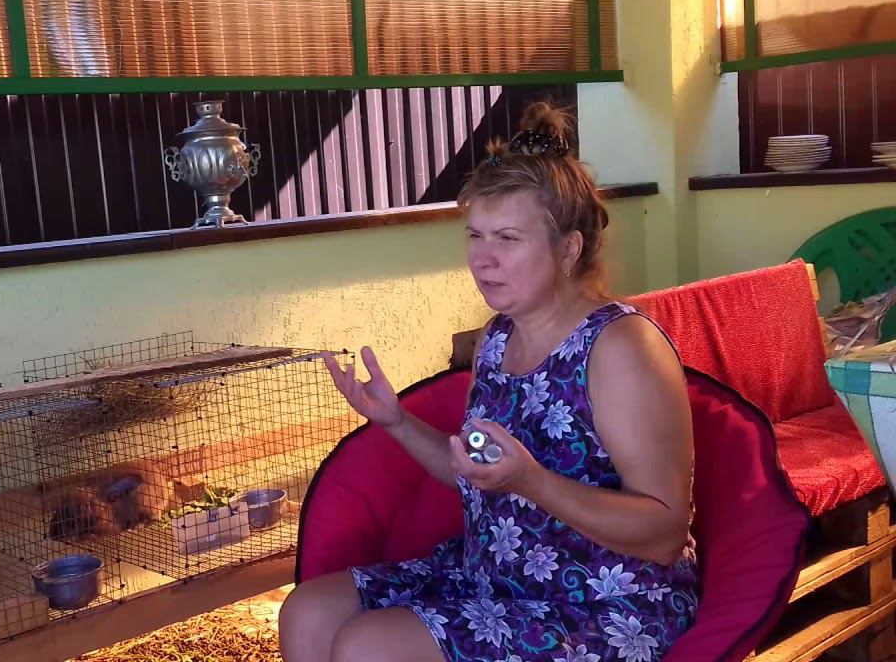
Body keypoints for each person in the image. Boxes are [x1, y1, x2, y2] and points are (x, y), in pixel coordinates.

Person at [278, 102, 700, 662]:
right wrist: (396, 421)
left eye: (507, 238)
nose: (483, 260)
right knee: (307, 610)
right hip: (492, 579)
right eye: (476, 236)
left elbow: (665, 533)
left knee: (367, 647)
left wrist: (532, 482)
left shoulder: (620, 347)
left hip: (605, 604)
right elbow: (475, 474)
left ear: (568, 248)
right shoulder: (496, 339)